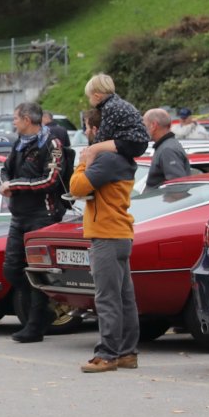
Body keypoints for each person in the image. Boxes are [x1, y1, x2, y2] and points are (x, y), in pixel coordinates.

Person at [71, 134, 139, 374]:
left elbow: (77, 187)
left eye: (89, 128)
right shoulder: (121, 158)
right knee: (124, 298)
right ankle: (127, 353)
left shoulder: (106, 160)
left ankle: (107, 355)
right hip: (120, 233)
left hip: (106, 234)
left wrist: (83, 163)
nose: (88, 135)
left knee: (107, 298)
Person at [0, 102, 66, 344]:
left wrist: (14, 186)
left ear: (27, 119)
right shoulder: (18, 143)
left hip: (42, 216)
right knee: (12, 269)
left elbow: (50, 180)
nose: (13, 122)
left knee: (38, 270)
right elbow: (5, 169)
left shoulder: (52, 144)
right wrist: (5, 183)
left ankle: (35, 325)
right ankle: (44, 310)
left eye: (16, 118)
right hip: (19, 216)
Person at [79, 73, 149, 174]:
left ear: (97, 96)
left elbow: (103, 134)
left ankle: (87, 175)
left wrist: (91, 148)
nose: (89, 101)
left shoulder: (110, 107)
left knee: (93, 149)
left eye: (89, 97)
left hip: (131, 142)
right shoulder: (118, 102)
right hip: (139, 141)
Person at [143, 108, 191, 190]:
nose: (143, 130)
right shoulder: (166, 146)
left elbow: (178, 188)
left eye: (144, 125)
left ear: (153, 125)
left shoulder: (167, 150)